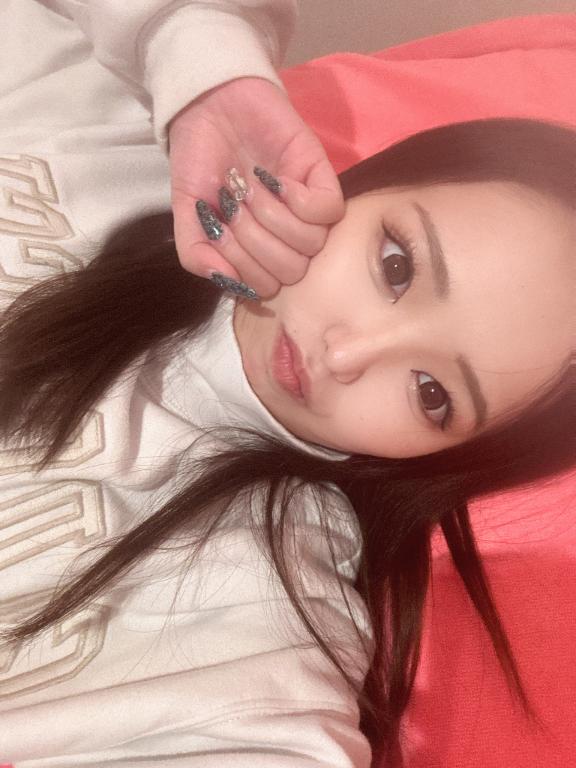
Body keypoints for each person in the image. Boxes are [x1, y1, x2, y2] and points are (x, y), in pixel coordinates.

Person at [0, 7, 574, 768]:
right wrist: (197, 58)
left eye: (433, 394)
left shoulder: (260, 594)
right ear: (370, 183)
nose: (347, 355)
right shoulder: (106, 137)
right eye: (396, 266)